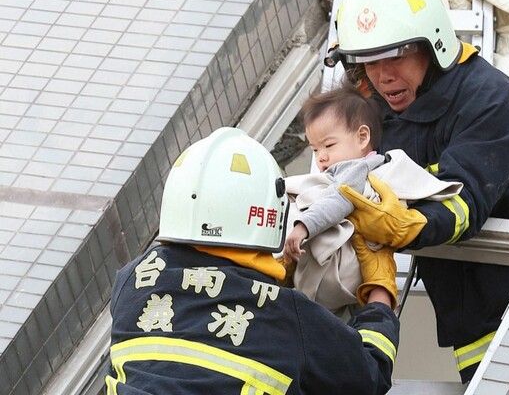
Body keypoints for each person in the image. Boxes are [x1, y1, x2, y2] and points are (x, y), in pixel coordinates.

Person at [329, 0, 509, 384]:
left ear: (434, 45)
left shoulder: (493, 100)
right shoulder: (374, 106)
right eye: (366, 62)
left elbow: (462, 205)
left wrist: (403, 225)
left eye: (394, 54)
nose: (382, 74)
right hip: (470, 319)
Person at [104, 126, 400, 395]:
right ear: (270, 215)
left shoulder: (130, 283)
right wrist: (379, 295)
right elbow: (369, 375)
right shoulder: (286, 315)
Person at [283, 82, 462, 315]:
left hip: (344, 267)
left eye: (329, 145)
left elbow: (340, 198)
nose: (321, 157)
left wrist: (303, 227)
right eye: (315, 150)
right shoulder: (374, 168)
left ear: (362, 137)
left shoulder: (356, 169)